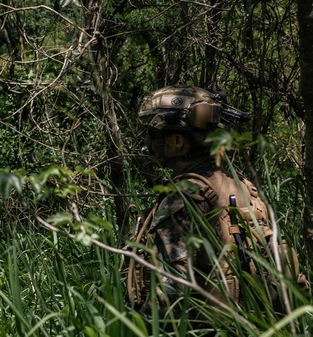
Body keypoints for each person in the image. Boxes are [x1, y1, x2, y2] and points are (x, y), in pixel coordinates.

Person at [126, 86, 308, 317]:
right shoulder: (242, 185)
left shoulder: (184, 197)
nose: (148, 142)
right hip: (253, 327)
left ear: (177, 141)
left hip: (205, 335)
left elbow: (171, 293)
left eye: (153, 135)